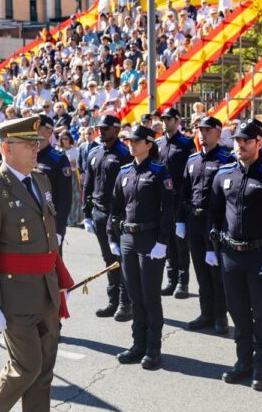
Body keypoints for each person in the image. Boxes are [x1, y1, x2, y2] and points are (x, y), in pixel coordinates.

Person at [0, 115, 73, 412]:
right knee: (26, 367)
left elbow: (49, 238)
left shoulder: (41, 180)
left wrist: (60, 280)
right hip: (15, 296)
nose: (35, 148)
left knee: (43, 373)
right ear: (7, 148)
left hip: (46, 290)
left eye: (36, 143)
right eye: (28, 144)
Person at [209, 119, 262, 391]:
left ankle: (261, 366)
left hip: (260, 256)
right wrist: (213, 248)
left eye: (246, 140)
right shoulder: (223, 174)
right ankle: (243, 361)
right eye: (237, 140)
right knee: (238, 311)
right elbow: (214, 214)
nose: (241, 145)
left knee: (261, 313)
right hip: (231, 255)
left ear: (259, 143)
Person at [108, 126, 173, 370]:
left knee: (150, 296)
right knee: (135, 295)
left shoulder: (159, 171)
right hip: (128, 238)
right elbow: (116, 206)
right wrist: (112, 236)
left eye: (136, 141)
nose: (131, 145)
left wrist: (162, 242)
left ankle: (153, 348)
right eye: (129, 141)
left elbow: (168, 209)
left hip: (150, 238)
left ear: (148, 144)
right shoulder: (124, 171)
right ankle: (138, 344)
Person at [179, 116, 235, 334]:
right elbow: (184, 192)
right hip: (195, 220)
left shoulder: (226, 159)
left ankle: (220, 315)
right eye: (200, 130)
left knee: (216, 271)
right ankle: (206, 313)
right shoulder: (192, 160)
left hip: (216, 222)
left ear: (218, 133)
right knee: (201, 270)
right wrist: (180, 220)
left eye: (207, 130)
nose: (202, 134)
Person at [83, 115, 133, 321]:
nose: (101, 131)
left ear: (116, 129)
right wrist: (86, 213)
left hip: (117, 214)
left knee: (122, 259)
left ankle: (125, 302)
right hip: (99, 213)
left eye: (105, 128)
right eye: (99, 128)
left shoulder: (124, 154)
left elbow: (129, 187)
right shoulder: (94, 152)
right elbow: (88, 183)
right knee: (108, 259)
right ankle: (113, 300)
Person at [155, 107, 193, 299]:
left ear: (177, 121)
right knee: (168, 240)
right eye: (163, 119)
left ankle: (182, 282)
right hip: (164, 200)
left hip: (180, 199)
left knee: (181, 243)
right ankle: (171, 280)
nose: (165, 122)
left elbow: (191, 173)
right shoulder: (158, 143)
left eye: (168, 119)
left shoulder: (186, 143)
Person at [35, 115, 73, 256]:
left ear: (49, 131)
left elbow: (65, 198)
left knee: (53, 265)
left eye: (37, 127)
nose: (33, 130)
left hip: (50, 221)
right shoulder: (26, 154)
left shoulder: (58, 158)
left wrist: (59, 230)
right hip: (29, 220)